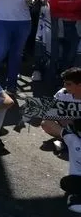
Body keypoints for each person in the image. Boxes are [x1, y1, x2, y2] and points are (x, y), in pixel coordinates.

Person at [40, 67, 81, 212]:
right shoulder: (63, 93)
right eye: (64, 83)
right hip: (70, 129)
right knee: (46, 123)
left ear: (79, 84)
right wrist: (68, 122)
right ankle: (67, 138)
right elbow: (47, 113)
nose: (65, 86)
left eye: (69, 84)